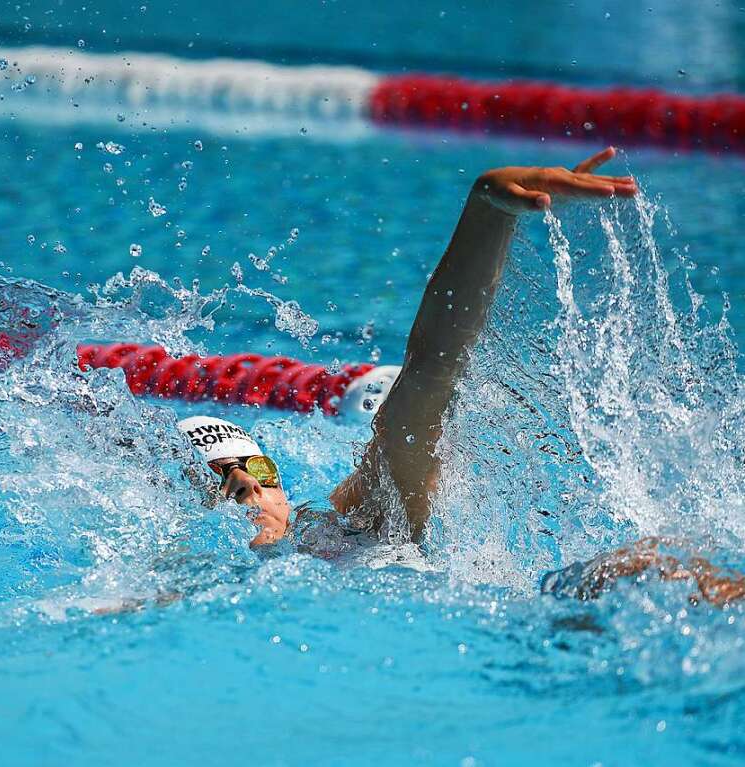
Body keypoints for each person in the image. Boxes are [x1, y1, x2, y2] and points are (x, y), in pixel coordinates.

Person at [179, 147, 743, 607]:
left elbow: (431, 372)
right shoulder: (210, 584)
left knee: (646, 572)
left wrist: (488, 216)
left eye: (254, 467)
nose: (251, 485)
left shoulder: (347, 520)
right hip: (514, 634)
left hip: (545, 614)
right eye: (226, 486)